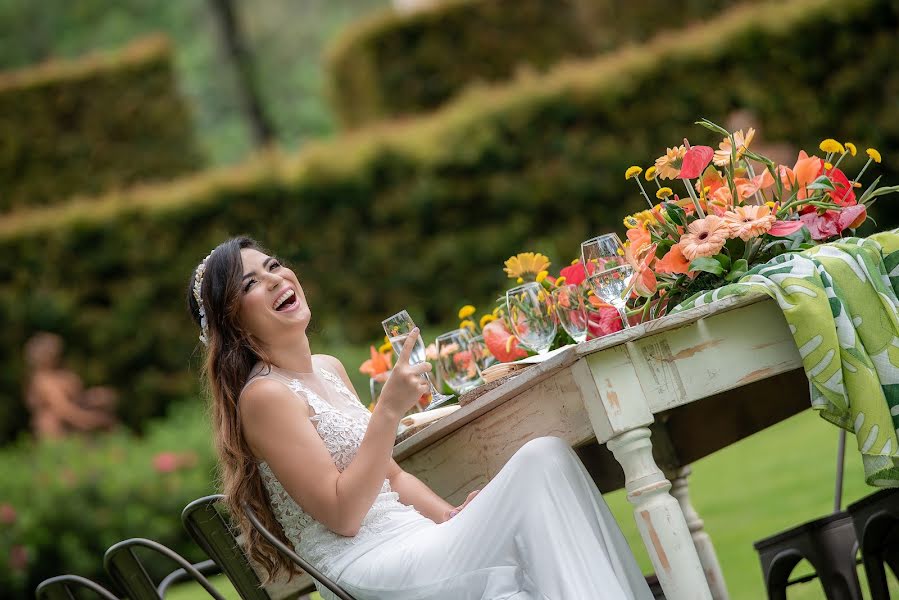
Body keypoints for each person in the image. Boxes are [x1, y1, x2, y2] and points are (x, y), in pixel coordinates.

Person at [187, 236, 652, 600]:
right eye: (249, 284)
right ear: (235, 324)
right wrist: (388, 411)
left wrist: (450, 516)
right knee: (542, 460)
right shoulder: (264, 397)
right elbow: (343, 515)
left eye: (272, 266)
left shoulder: (328, 368)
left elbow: (392, 477)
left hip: (414, 537)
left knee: (546, 472)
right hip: (367, 566)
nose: (273, 279)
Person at [24, 332, 118, 440]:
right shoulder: (44, 380)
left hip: (73, 425)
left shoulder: (61, 374)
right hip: (58, 431)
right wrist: (94, 420)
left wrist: (95, 397)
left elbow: (76, 399)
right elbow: (64, 409)